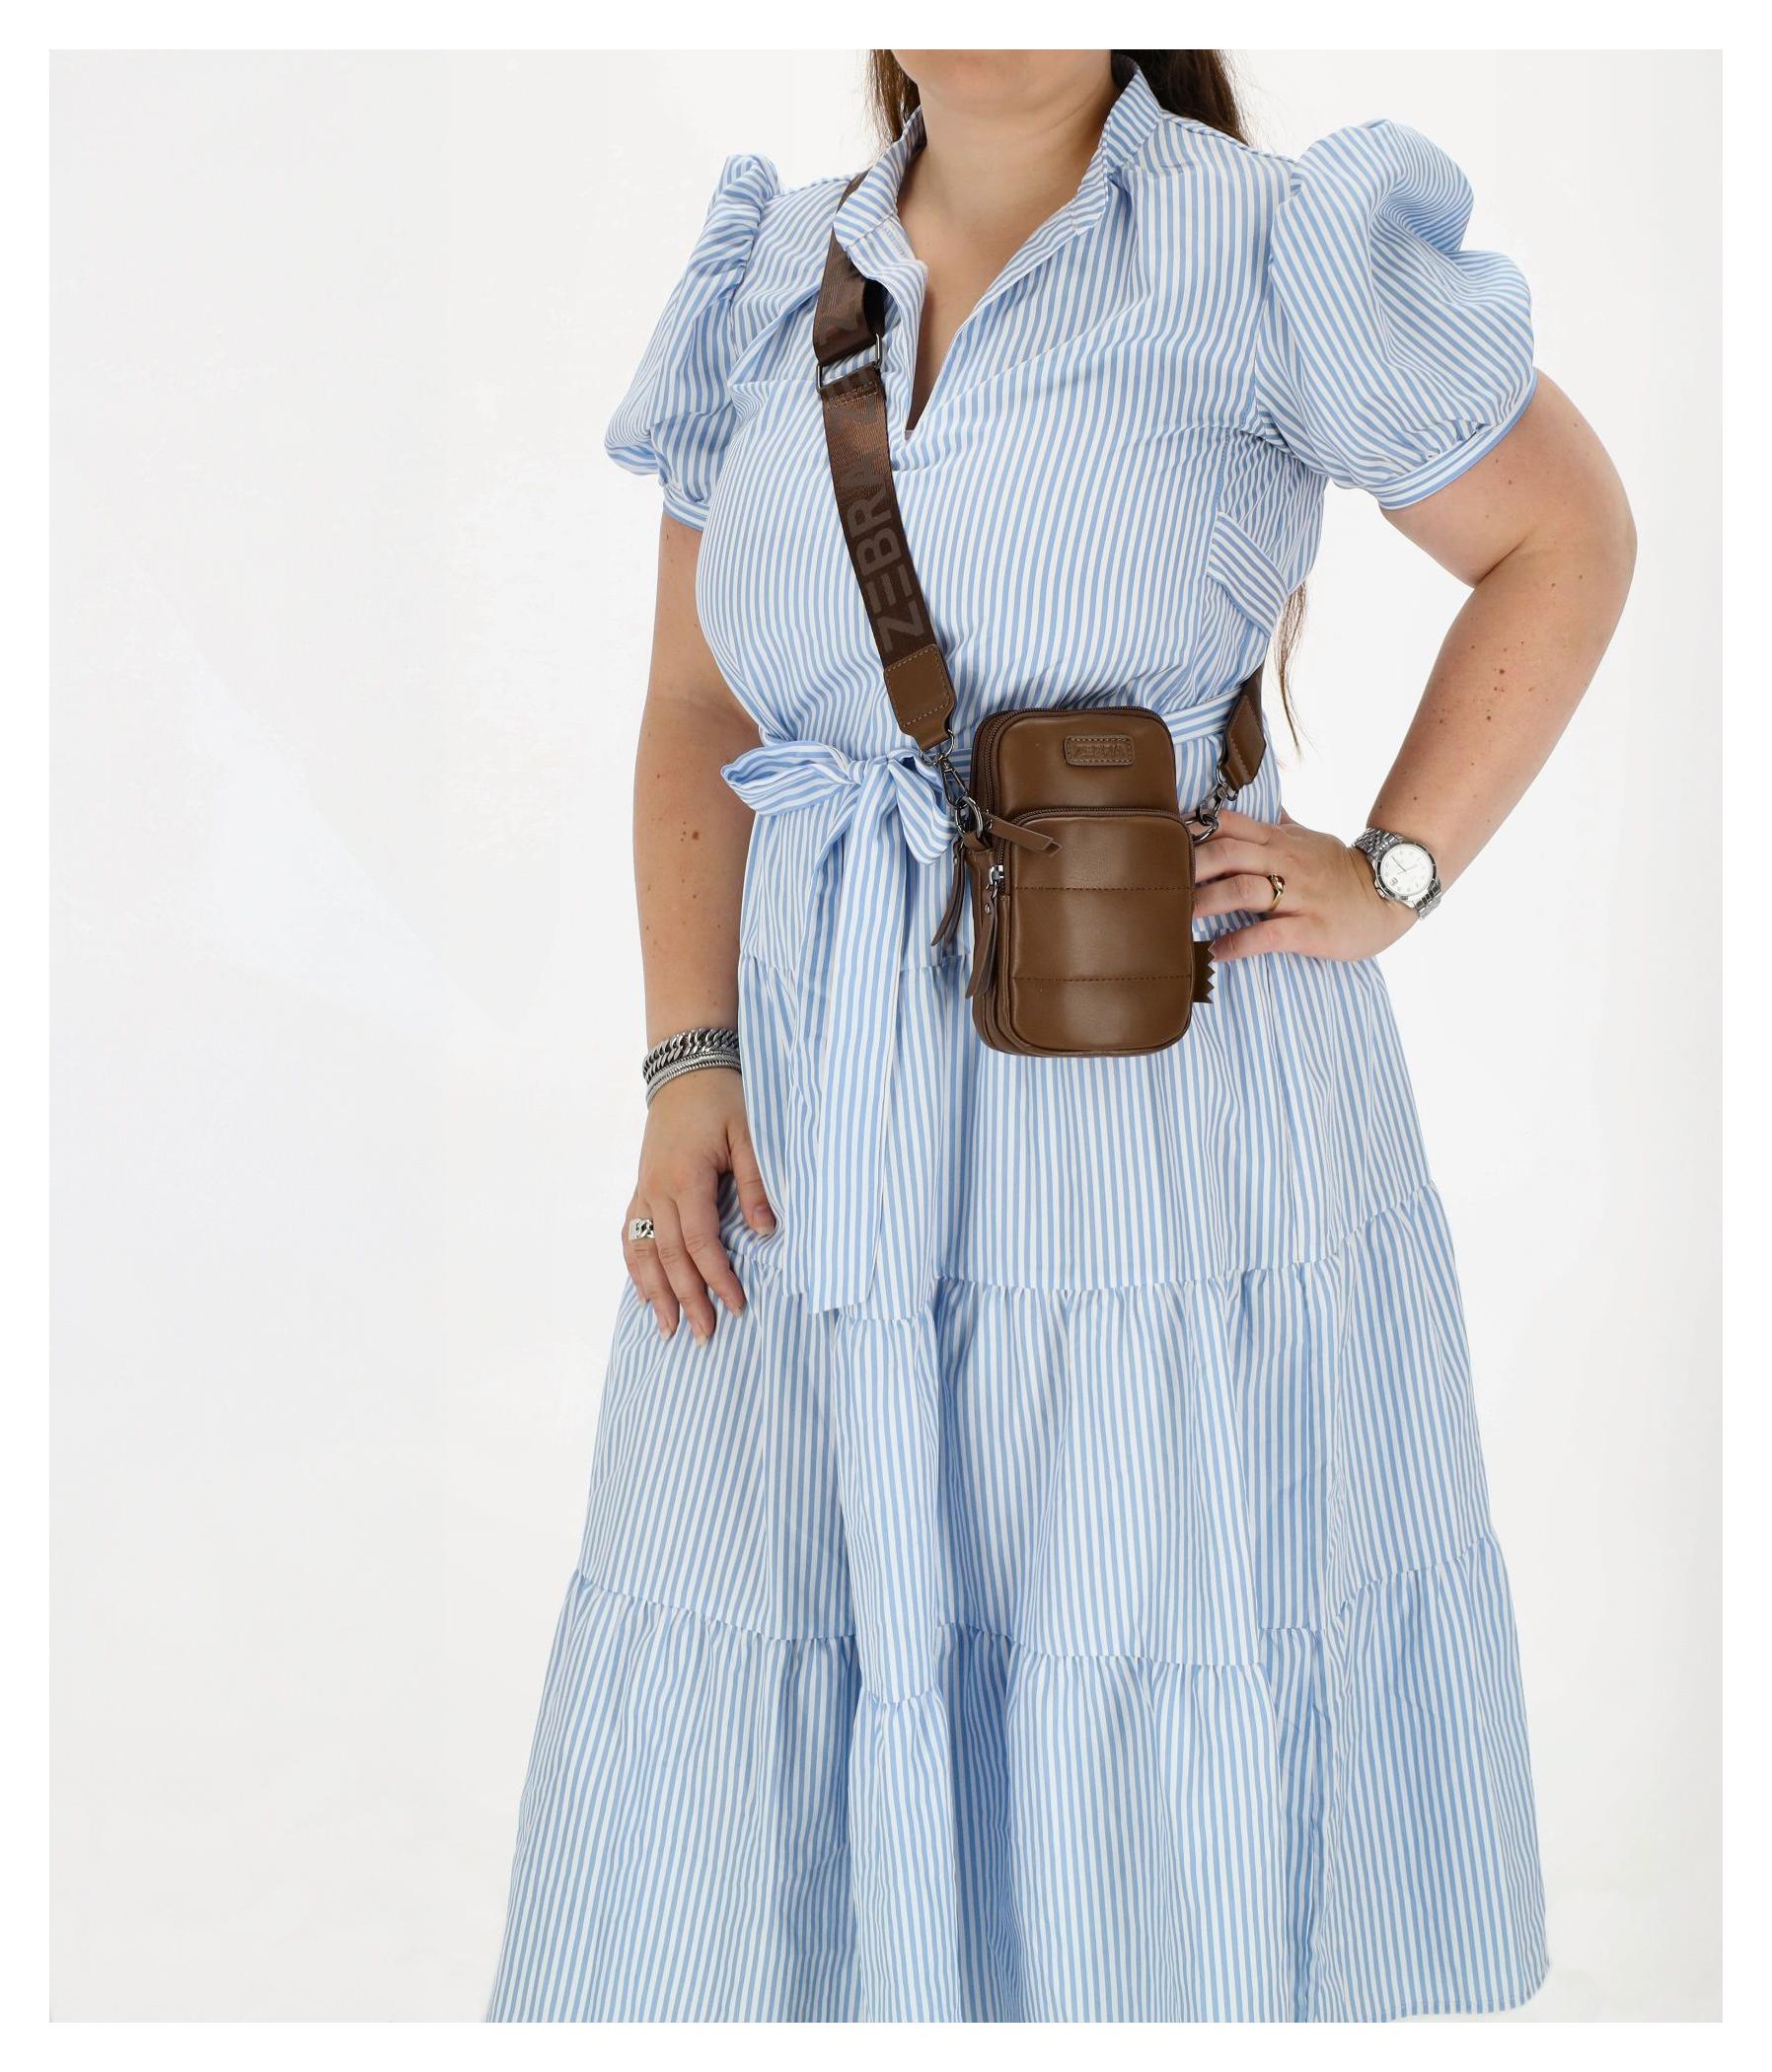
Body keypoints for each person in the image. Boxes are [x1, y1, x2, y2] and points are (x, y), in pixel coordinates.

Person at [487, 48, 1635, 2023]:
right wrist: (689, 1059)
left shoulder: (1267, 248)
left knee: (1121, 1612)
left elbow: (1566, 534)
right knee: (775, 1607)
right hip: (817, 1115)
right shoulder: (768, 273)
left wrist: (1395, 870)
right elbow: (697, 704)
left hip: (1143, 1110)